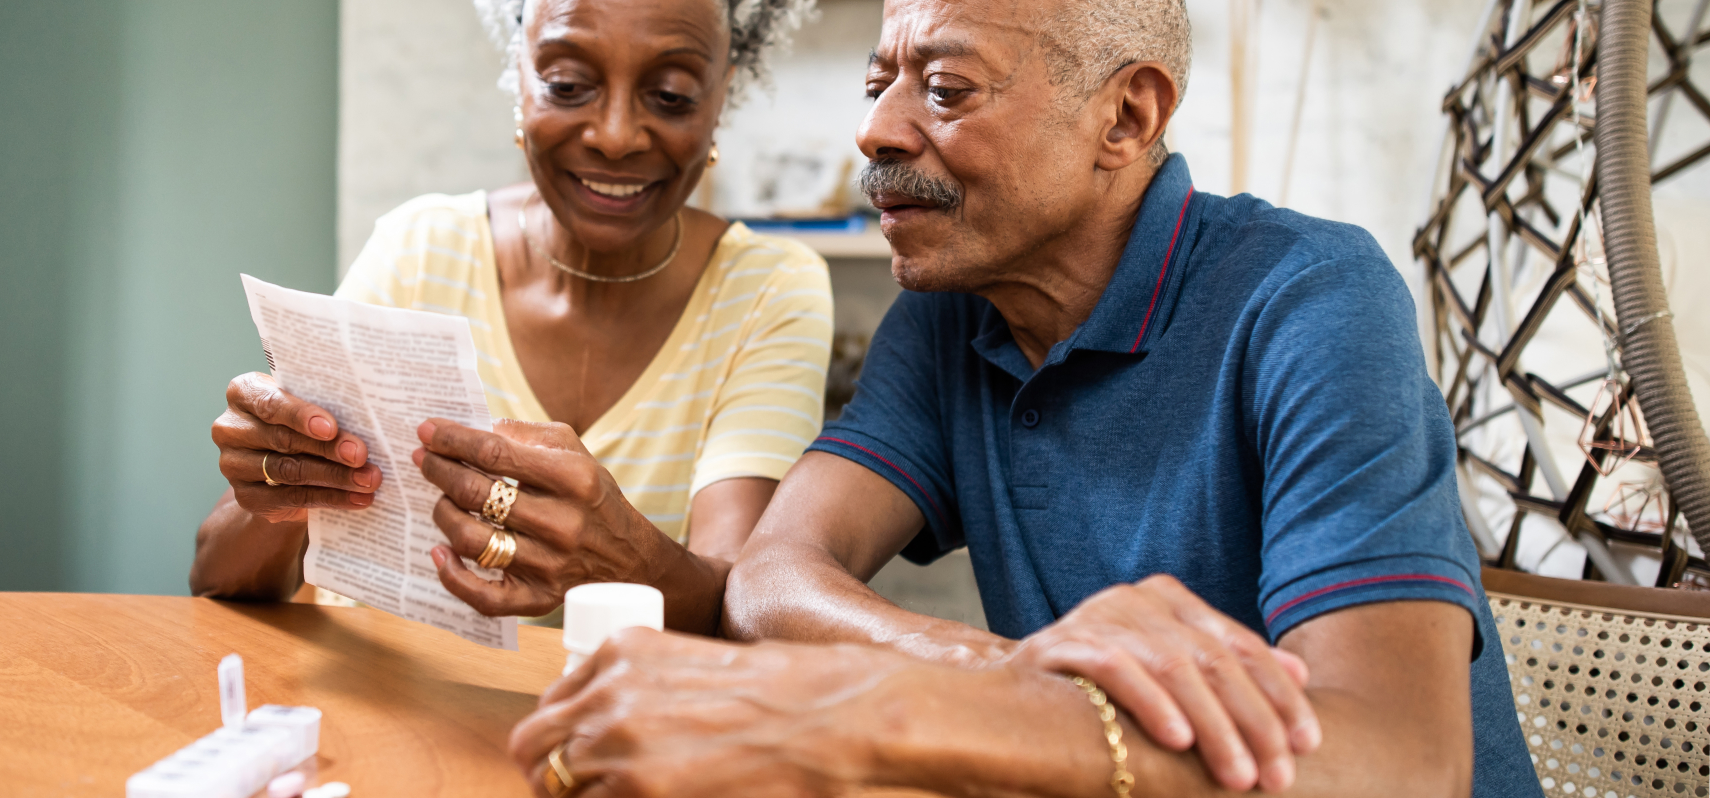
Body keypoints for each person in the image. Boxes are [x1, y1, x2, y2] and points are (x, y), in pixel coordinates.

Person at [506, 0, 1543, 795]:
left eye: (947, 91)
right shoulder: (954, 309)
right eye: (880, 84)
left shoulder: (1312, 299)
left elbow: (1397, 763)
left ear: (1126, 117)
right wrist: (1008, 671)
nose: (877, 132)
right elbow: (770, 578)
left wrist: (872, 705)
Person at [189, 0, 828, 635]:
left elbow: (742, 613)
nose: (614, 135)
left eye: (671, 95)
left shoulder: (767, 289)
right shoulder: (419, 249)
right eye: (568, 86)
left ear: (724, 93)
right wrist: (281, 485)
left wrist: (620, 553)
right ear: (517, 75)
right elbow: (216, 578)